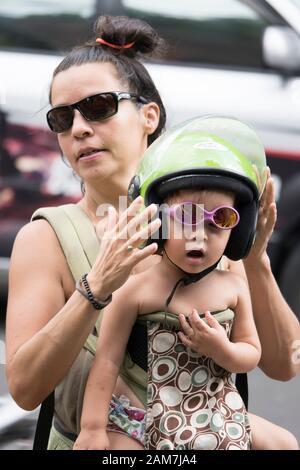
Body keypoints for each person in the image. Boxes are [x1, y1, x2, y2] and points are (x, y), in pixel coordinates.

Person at [5, 16, 299, 451]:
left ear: (149, 116)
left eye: (100, 106)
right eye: (62, 118)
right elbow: (26, 390)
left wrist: (254, 259)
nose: (80, 128)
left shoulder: (208, 222)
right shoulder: (47, 237)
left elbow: (284, 365)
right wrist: (96, 287)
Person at [73, 116, 298, 450]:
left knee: (285, 443)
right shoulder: (135, 290)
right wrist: (91, 429)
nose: (199, 234)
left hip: (212, 411)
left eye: (220, 220)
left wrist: (222, 350)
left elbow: (251, 353)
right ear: (157, 220)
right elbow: (107, 362)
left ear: (239, 231)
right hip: (142, 417)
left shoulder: (232, 287)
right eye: (185, 216)